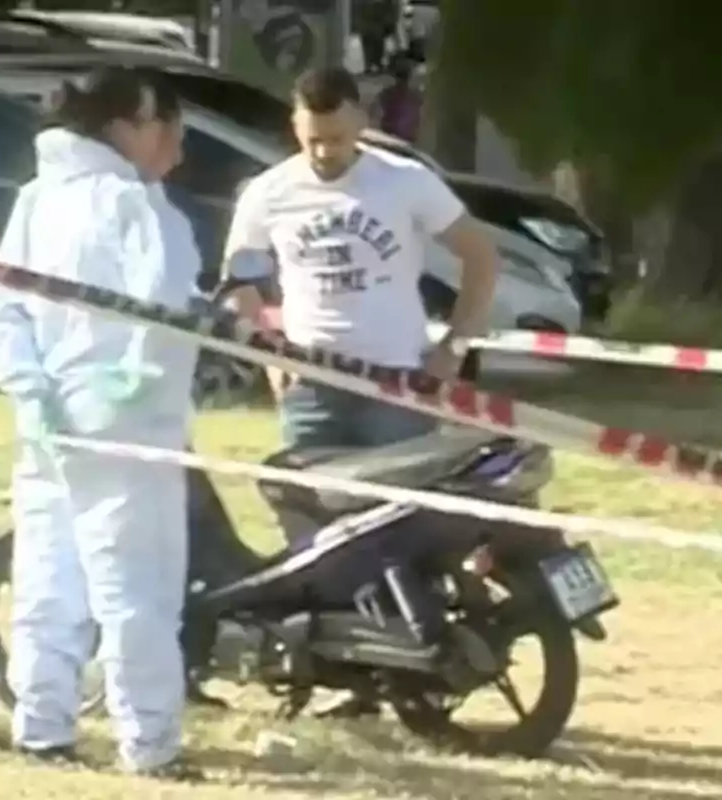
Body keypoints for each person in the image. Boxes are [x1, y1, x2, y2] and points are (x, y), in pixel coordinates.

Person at [220, 66, 498, 717]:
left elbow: (481, 257)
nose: (326, 154)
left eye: (339, 139)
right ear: (295, 127)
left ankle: (416, 670)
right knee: (315, 532)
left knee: (401, 530)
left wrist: (453, 348)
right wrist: (266, 349)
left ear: (361, 123)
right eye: (314, 140)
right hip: (312, 390)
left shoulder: (403, 182)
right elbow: (241, 281)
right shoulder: (268, 193)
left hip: (396, 383)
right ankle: (342, 672)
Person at [0, 67, 202, 779]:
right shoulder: (137, 205)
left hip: (48, 421)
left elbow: (4, 309)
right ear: (125, 126)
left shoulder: (34, 201)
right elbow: (167, 308)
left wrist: (30, 390)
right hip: (127, 423)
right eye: (157, 123)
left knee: (48, 576)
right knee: (135, 586)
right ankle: (150, 745)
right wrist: (135, 378)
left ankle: (42, 727)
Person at [373, 53, 423, 143]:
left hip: (390, 135)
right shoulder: (417, 95)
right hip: (408, 138)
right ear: (410, 76)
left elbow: (376, 114)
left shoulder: (386, 93)